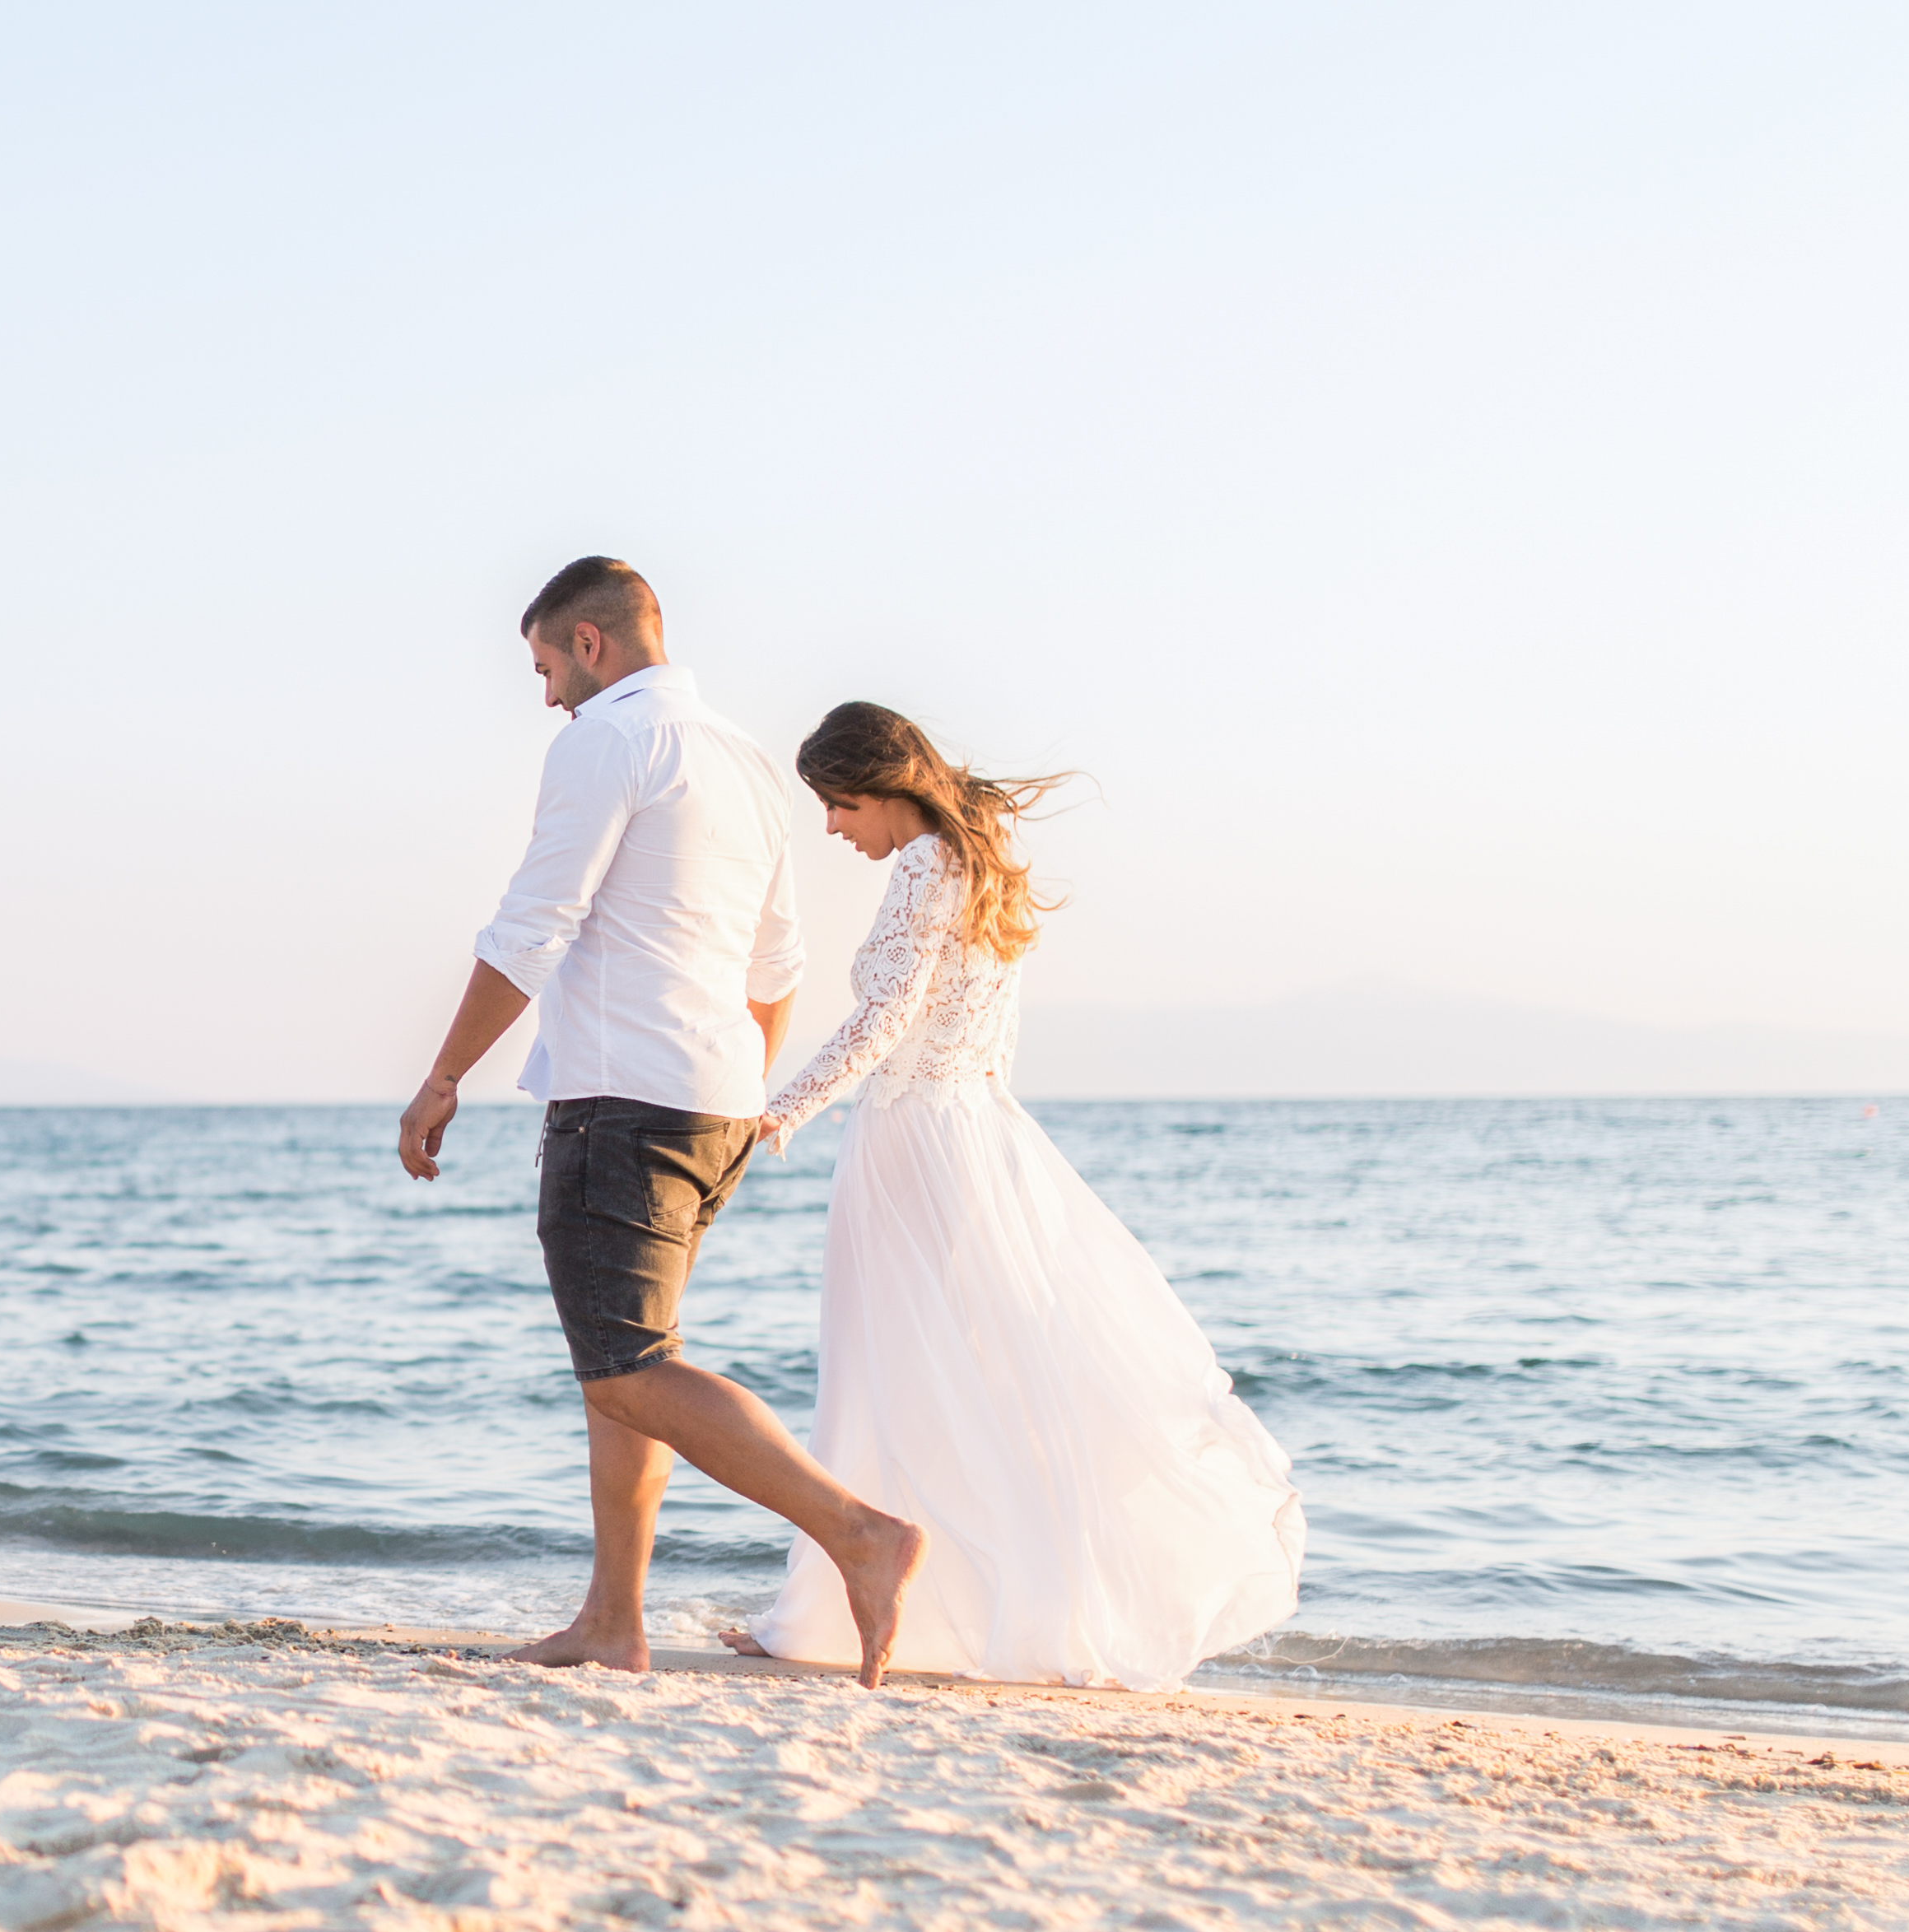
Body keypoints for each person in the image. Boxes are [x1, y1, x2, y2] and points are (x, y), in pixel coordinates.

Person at [399, 558, 928, 1685]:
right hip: (716, 1102)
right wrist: (732, 1087)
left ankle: (859, 1534)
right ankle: (612, 1621)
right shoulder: (746, 761)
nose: (546, 694)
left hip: (620, 1098)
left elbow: (533, 924)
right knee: (628, 1363)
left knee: (626, 1368)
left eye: (545, 667)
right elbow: (778, 964)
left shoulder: (606, 741)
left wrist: (443, 1076)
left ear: (590, 644)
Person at [722, 702, 1306, 1688]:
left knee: (888, 1378)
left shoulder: (922, 865)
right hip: (976, 1135)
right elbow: (991, 1035)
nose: (831, 827)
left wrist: (777, 1114)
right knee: (965, 1379)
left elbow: (885, 1018)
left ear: (881, 788)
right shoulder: (980, 857)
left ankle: (839, 1614)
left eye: (838, 805)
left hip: (913, 1142)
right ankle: (933, 1610)